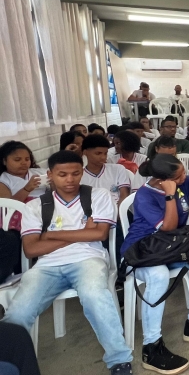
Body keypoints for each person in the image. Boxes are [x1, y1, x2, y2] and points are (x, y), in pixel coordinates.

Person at [3, 151, 133, 375]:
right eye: (62, 174)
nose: (70, 180)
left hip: (88, 259)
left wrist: (50, 235)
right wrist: (83, 231)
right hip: (46, 267)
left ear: (82, 172)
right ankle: (8, 363)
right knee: (18, 313)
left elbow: (100, 234)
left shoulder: (98, 196)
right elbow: (31, 248)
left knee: (95, 295)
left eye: (75, 173)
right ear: (50, 174)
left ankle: (119, 360)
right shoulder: (36, 206)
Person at [121, 154, 189, 373]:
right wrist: (170, 195)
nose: (185, 178)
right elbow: (167, 227)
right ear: (162, 180)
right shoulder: (145, 196)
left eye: (184, 172)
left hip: (173, 247)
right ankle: (152, 347)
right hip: (143, 251)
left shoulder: (183, 181)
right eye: (179, 176)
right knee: (158, 276)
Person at [0, 141, 48, 211]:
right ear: (4, 161)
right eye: (17, 160)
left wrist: (53, 183)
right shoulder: (4, 181)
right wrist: (26, 189)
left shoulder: (40, 172)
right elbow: (7, 208)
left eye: (27, 159)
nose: (24, 163)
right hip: (21, 215)